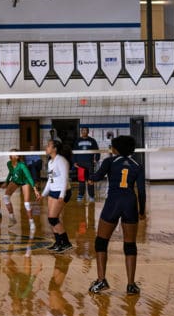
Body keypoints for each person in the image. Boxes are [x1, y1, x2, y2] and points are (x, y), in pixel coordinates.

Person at [87, 135, 146, 296]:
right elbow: (141, 191)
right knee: (130, 245)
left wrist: (89, 178)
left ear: (116, 149)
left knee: (101, 242)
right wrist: (142, 211)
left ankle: (101, 281)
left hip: (113, 203)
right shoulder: (137, 165)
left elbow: (97, 177)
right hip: (130, 204)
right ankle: (131, 285)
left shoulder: (109, 162)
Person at [35, 138, 73, 253]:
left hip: (62, 192)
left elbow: (65, 179)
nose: (46, 147)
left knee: (53, 218)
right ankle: (58, 242)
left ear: (54, 149)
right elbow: (50, 180)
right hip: (53, 191)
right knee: (51, 219)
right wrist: (43, 194)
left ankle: (66, 243)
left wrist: (62, 195)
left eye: (48, 146)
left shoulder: (61, 160)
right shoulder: (51, 162)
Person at [1, 149, 36, 227]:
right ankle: (12, 218)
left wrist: (35, 189)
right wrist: (6, 182)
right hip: (15, 180)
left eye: (17, 154)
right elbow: (11, 173)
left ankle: (31, 221)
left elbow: (29, 176)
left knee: (26, 203)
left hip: (25, 181)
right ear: (11, 156)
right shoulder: (9, 163)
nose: (17, 155)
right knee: (6, 198)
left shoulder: (22, 165)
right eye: (14, 153)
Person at [72, 127, 100, 203]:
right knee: (81, 181)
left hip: (89, 163)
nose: (84, 132)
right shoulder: (77, 141)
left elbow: (97, 150)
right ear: (81, 132)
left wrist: (96, 159)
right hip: (80, 163)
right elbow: (74, 152)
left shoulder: (92, 140)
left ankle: (91, 196)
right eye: (83, 130)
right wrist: (74, 162)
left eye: (86, 131)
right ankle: (81, 195)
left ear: (88, 132)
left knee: (90, 180)